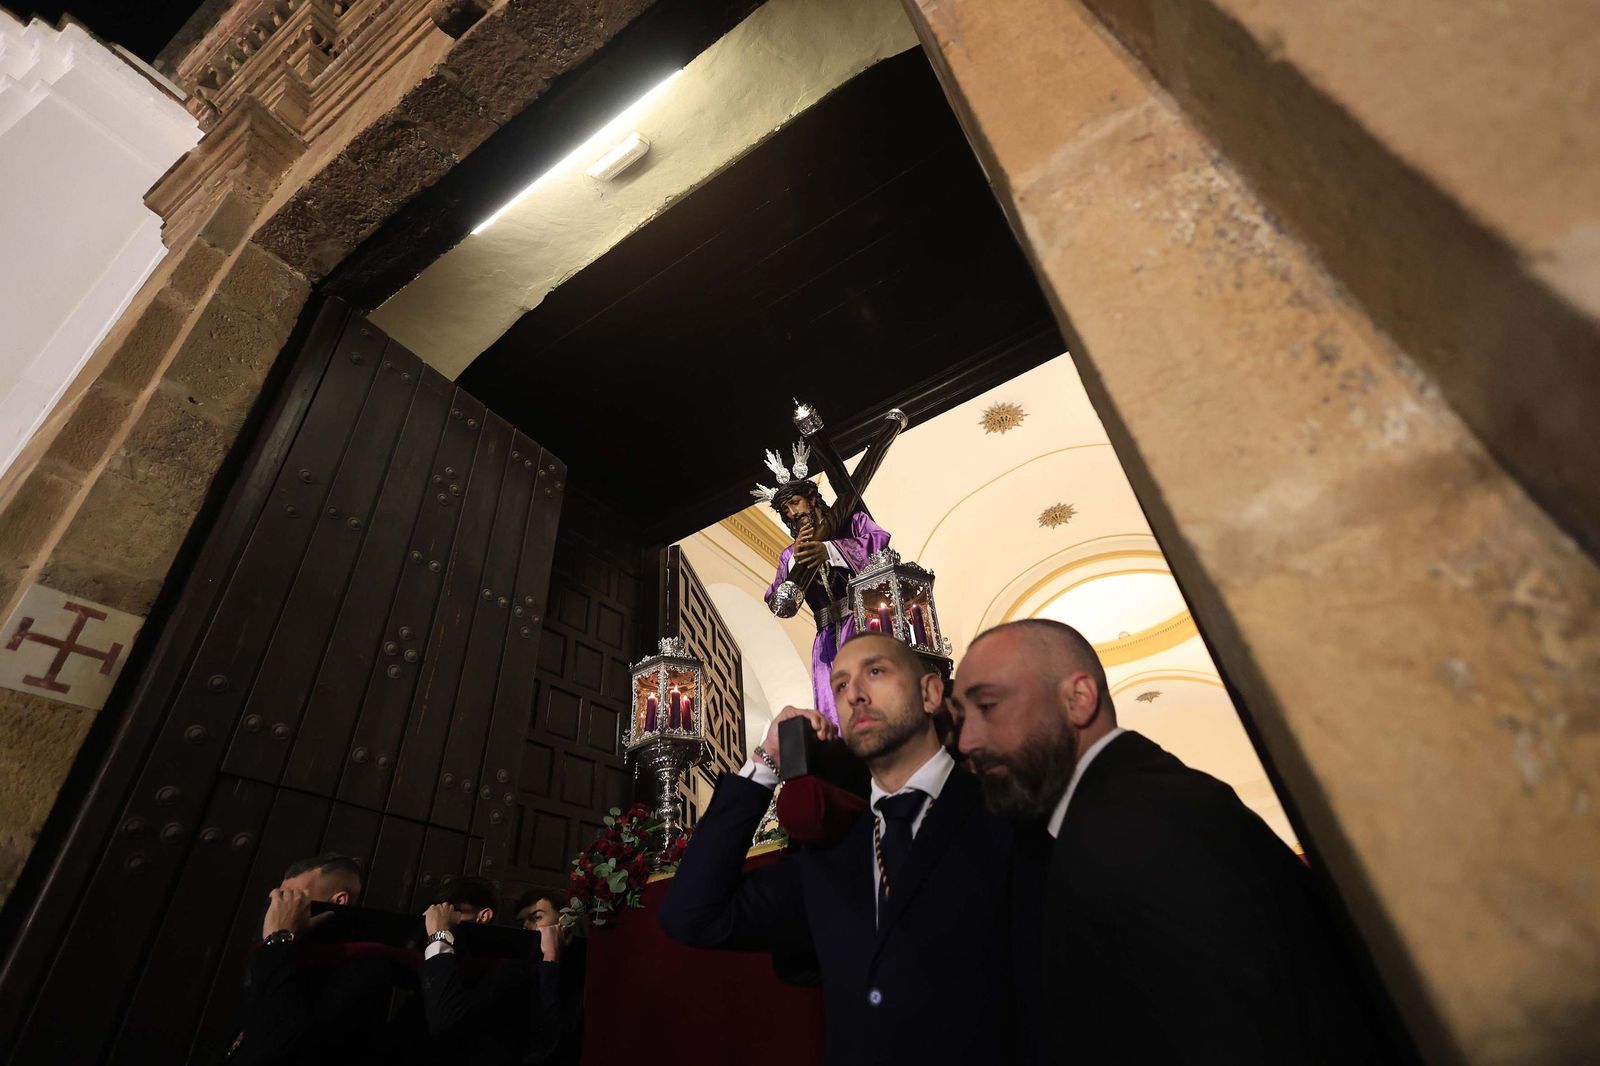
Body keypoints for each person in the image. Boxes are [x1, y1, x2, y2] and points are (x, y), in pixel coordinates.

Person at [952, 619, 1389, 1064]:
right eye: (960, 717)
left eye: (987, 706)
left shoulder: (1136, 831)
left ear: (1077, 699)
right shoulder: (1126, 810)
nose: (967, 740)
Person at [660, 631, 1023, 1065]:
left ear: (929, 693)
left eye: (875, 671)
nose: (855, 695)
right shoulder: (832, 858)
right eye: (841, 685)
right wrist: (767, 760)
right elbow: (693, 916)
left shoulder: (1011, 811)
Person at [225, 854, 409, 1066]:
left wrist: (278, 941)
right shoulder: (287, 953)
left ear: (339, 901)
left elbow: (276, 1047)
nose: (279, 909)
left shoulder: (365, 966)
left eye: (294, 898)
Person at [419, 882, 583, 1066]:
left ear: (564, 923)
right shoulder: (508, 970)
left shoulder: (574, 978)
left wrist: (551, 958)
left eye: (536, 917)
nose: (527, 927)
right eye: (521, 923)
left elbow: (547, 1040)